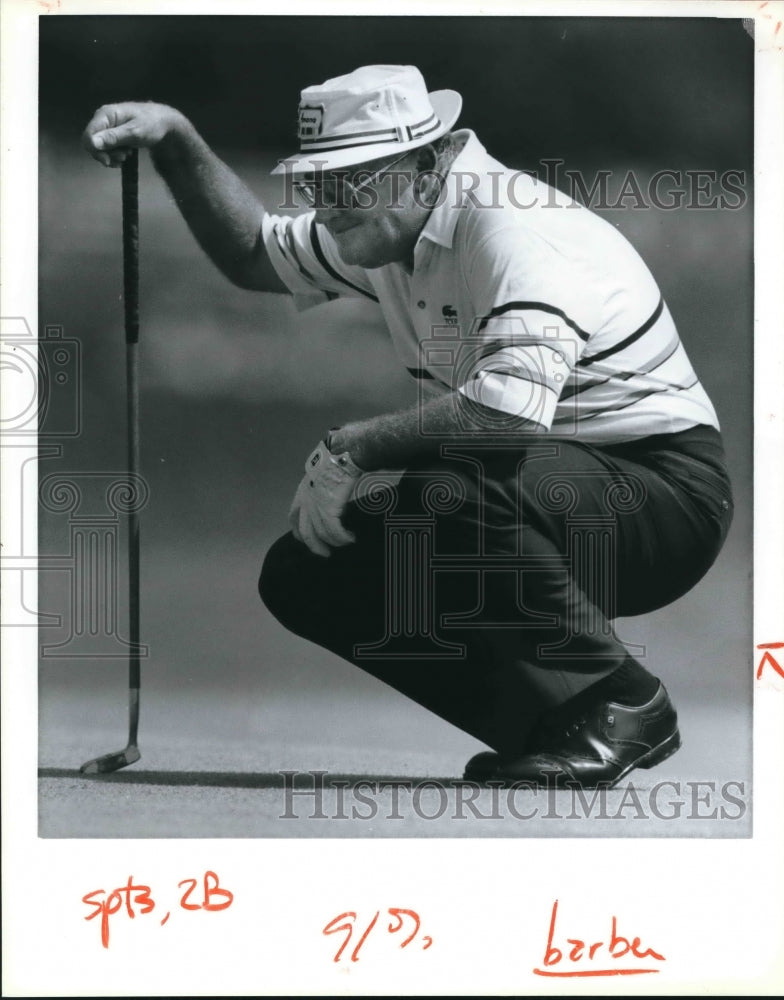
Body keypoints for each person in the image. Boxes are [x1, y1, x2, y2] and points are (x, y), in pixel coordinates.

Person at [83, 64, 733, 788]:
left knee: (451, 480)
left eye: (348, 184)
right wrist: (176, 137)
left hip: (661, 499)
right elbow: (250, 253)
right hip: (545, 501)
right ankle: (553, 722)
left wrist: (353, 447)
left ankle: (624, 701)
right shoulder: (395, 226)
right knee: (306, 573)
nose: (328, 208)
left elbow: (504, 418)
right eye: (316, 187)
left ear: (427, 167)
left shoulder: (514, 228)